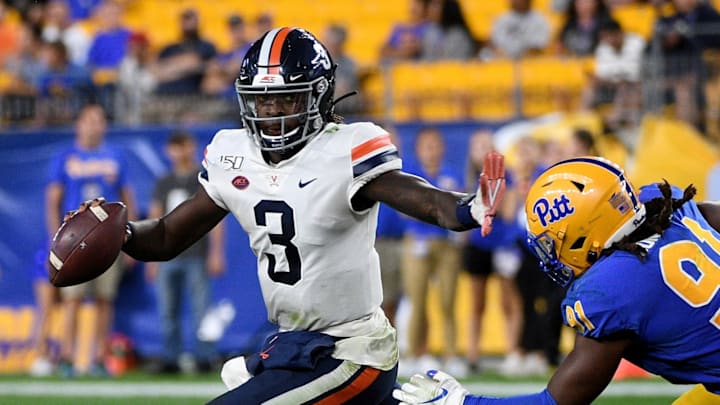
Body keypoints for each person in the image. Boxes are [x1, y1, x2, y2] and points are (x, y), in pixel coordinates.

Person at [67, 28, 505, 403]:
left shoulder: (345, 150)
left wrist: (468, 207)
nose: (271, 112)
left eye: (285, 99)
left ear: (318, 95)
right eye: (261, 101)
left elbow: (423, 198)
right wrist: (120, 232)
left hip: (353, 351)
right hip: (292, 346)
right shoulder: (232, 153)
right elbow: (165, 237)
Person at [394, 156, 720, 404]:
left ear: (583, 235)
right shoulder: (668, 209)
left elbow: (556, 402)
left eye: (551, 243)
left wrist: (465, 402)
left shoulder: (612, 291)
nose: (549, 254)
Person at [46, 104, 136, 377]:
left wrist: (129, 238)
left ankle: (99, 357)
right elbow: (53, 201)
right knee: (72, 300)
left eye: (99, 120)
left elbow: (126, 199)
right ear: (79, 124)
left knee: (104, 300)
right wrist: (55, 239)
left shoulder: (115, 156)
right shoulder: (65, 157)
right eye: (89, 120)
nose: (94, 125)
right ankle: (66, 356)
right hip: (73, 242)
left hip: (106, 242)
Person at [145, 131, 226, 374]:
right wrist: (150, 256)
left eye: (184, 146)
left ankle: (205, 357)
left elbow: (215, 218)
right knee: (167, 310)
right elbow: (154, 217)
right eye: (175, 146)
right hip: (168, 255)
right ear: (169, 151)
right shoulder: (164, 181)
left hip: (196, 253)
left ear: (192, 147)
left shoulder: (201, 179)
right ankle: (171, 357)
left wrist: (216, 252)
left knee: (202, 309)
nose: (180, 152)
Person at [399, 127, 466, 379]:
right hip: (417, 241)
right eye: (427, 146)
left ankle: (451, 354)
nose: (432, 150)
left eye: (435, 145)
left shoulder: (451, 173)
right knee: (417, 301)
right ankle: (415, 354)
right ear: (418, 149)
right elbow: (403, 210)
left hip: (446, 244)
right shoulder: (410, 176)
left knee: (448, 301)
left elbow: (459, 208)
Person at [461, 130, 523, 376]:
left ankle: (512, 352)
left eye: (486, 145)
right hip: (478, 244)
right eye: (478, 146)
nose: (482, 151)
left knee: (508, 302)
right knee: (477, 304)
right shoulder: (468, 177)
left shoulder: (505, 176)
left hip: (502, 244)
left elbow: (506, 213)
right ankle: (472, 356)